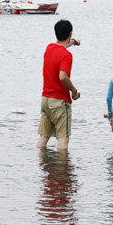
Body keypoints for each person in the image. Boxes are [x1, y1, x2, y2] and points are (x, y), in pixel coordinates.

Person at [37, 20, 81, 151]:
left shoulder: (49, 48)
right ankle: (62, 169)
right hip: (59, 101)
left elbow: (61, 48)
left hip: (45, 99)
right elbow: (63, 76)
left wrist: (74, 42)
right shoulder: (67, 55)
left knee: (44, 136)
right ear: (70, 33)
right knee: (63, 138)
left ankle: (41, 164)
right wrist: (74, 90)